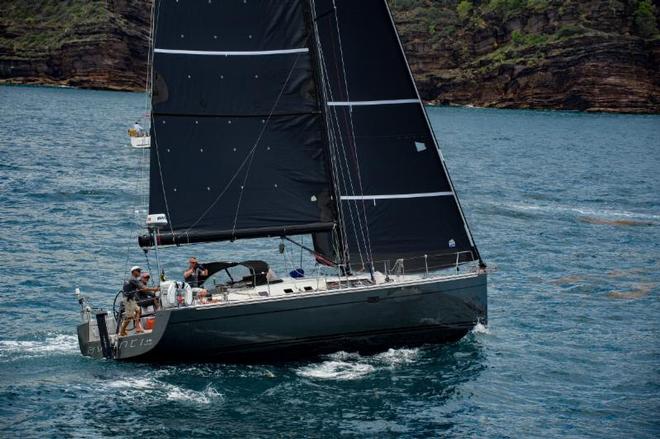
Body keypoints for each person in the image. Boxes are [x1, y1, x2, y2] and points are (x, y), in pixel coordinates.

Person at [119, 266, 144, 336]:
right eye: (138, 271)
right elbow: (143, 288)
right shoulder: (133, 279)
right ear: (133, 272)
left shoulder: (130, 279)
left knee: (138, 310)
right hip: (128, 300)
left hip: (130, 299)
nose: (140, 272)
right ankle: (122, 331)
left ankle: (137, 328)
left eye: (140, 271)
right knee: (129, 316)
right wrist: (154, 289)